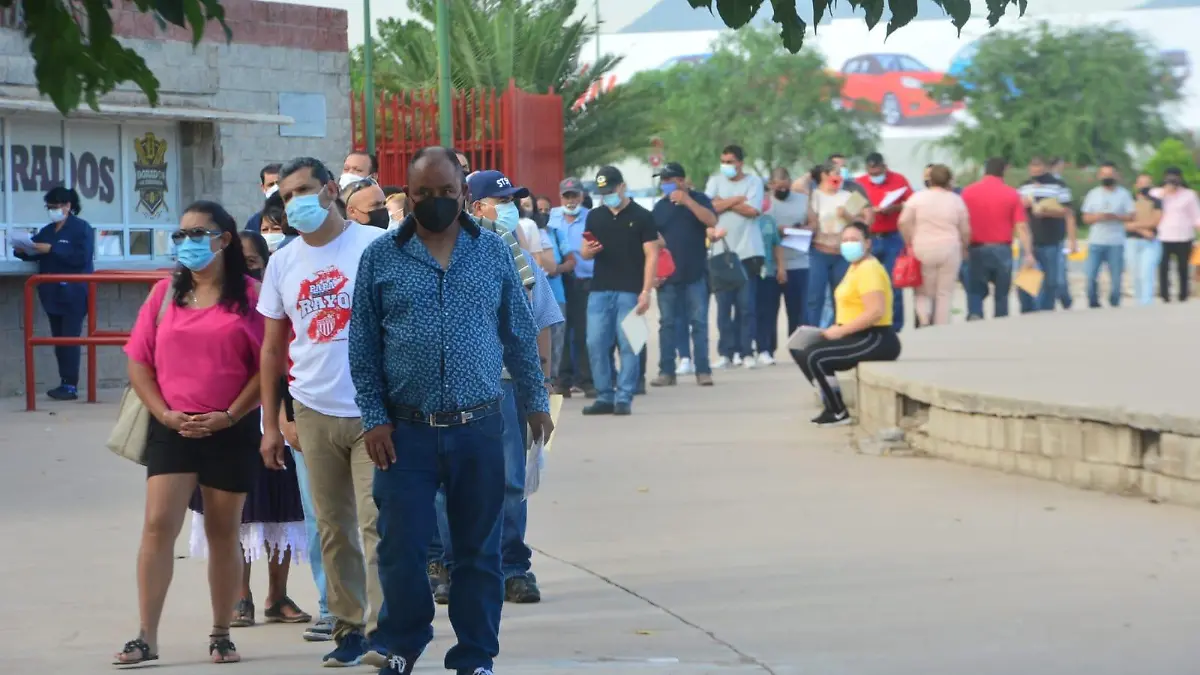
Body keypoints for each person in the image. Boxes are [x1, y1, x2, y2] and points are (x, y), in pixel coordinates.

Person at [347, 146, 553, 675]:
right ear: (408, 196)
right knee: (401, 548)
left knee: (478, 553)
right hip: (404, 431)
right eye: (423, 194)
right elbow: (363, 346)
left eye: (445, 192)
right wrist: (374, 418)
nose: (435, 201)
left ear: (463, 193)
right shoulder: (381, 256)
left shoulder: (492, 252)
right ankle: (400, 643)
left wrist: (534, 400)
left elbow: (518, 333)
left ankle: (475, 656)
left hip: (479, 426)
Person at [112, 201, 264, 666]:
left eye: (198, 233)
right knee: (159, 526)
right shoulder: (163, 295)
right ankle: (146, 636)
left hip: (229, 429)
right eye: (180, 235)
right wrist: (164, 413)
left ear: (223, 239)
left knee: (223, 532)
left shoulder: (253, 296)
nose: (187, 243)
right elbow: (139, 360)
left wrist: (231, 415)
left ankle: (221, 632)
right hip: (172, 428)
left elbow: (269, 366)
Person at [258, 157, 389, 667]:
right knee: (332, 528)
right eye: (287, 196)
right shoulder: (283, 263)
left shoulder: (373, 247)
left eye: (305, 191)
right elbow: (272, 349)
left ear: (332, 189)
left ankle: (385, 631)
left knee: (378, 524)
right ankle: (348, 627)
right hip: (312, 411)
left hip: (373, 411)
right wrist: (273, 423)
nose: (296, 204)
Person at [186, 231, 311, 629]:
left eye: (254, 260)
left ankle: (278, 596)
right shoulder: (207, 305)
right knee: (235, 513)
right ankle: (242, 598)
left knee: (280, 509)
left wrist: (282, 417)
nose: (246, 266)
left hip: (275, 416)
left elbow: (285, 357)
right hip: (224, 421)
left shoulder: (275, 303)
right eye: (237, 259)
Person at [789, 221, 901, 427]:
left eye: (854, 240)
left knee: (815, 356)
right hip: (855, 334)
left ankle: (838, 411)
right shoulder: (854, 268)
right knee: (799, 347)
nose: (849, 244)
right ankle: (829, 399)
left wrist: (841, 331)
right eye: (845, 240)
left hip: (875, 338)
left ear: (867, 243)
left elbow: (876, 312)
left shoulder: (869, 269)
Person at [581, 166, 659, 415]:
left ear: (622, 187)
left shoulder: (643, 216)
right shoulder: (595, 216)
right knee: (595, 343)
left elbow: (652, 254)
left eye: (611, 190)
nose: (608, 195)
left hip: (631, 291)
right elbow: (584, 251)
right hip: (599, 290)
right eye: (603, 192)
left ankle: (624, 396)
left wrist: (646, 291)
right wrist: (589, 251)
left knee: (630, 345)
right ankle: (604, 395)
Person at [13, 186, 94, 401]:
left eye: (56, 206)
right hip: (51, 294)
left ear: (68, 206)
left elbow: (81, 257)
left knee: (69, 339)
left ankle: (70, 386)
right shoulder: (48, 230)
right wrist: (21, 251)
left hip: (74, 293)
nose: (52, 210)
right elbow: (35, 250)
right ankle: (64, 383)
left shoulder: (82, 229)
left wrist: (53, 249)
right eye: (49, 207)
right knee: (59, 339)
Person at [649, 162, 717, 387]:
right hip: (668, 277)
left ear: (680, 181)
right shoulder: (659, 207)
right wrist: (654, 273)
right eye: (663, 182)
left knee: (698, 323)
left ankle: (703, 370)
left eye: (668, 181)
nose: (664, 185)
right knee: (667, 323)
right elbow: (652, 242)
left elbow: (711, 221)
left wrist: (688, 201)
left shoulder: (700, 199)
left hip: (695, 273)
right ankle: (666, 371)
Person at [705, 144, 765, 370]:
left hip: (748, 252)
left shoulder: (753, 182)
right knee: (723, 307)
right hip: (721, 253)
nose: (726, 166)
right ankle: (726, 353)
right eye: (724, 161)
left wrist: (724, 203)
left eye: (730, 161)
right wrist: (736, 200)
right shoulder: (714, 181)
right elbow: (709, 207)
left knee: (746, 306)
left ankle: (746, 352)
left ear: (740, 162)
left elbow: (753, 211)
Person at [961, 157, 1034, 320]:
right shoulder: (1012, 193)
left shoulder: (968, 192)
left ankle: (975, 315)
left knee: (974, 290)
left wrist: (962, 247)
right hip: (1002, 249)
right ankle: (1000, 322)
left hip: (976, 248)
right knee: (1002, 293)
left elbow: (961, 222)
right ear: (1005, 170)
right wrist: (1028, 253)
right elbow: (1021, 226)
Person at [898, 164, 970, 326]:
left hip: (922, 247)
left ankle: (923, 320)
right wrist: (964, 246)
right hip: (949, 248)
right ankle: (941, 326)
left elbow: (903, 221)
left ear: (930, 179)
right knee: (944, 293)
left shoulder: (917, 198)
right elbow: (965, 229)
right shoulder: (955, 200)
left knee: (922, 291)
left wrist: (908, 240)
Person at [807, 163, 871, 329]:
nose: (838, 177)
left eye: (839, 174)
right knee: (815, 297)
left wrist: (848, 216)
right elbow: (797, 187)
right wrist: (810, 175)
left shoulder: (849, 196)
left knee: (842, 296)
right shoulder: (814, 196)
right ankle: (812, 332)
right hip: (819, 252)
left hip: (842, 254)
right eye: (834, 173)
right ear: (824, 176)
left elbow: (866, 221)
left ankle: (841, 332)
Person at [549, 177, 596, 398]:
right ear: (561, 197)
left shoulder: (591, 218)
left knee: (584, 332)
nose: (571, 200)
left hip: (585, 280)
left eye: (575, 195)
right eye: (567, 196)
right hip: (560, 281)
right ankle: (563, 380)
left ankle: (586, 380)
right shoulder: (552, 218)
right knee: (562, 331)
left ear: (582, 196)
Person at [856, 152, 912, 332]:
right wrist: (868, 212)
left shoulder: (899, 180)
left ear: (884, 167)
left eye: (878, 170)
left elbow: (911, 204)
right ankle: (869, 323)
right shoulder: (860, 183)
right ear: (867, 169)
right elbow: (851, 209)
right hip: (869, 238)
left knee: (893, 283)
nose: (875, 174)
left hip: (892, 238)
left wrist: (895, 207)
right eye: (871, 171)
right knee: (869, 283)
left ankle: (895, 326)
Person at [1016, 156, 1076, 312]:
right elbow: (1016, 212)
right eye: (1032, 166)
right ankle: (1028, 309)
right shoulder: (1024, 186)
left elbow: (1067, 211)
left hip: (1051, 238)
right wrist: (1023, 205)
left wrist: (1048, 211)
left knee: (1051, 280)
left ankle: (1046, 309)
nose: (1035, 170)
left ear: (1045, 167)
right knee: (1027, 278)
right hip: (1029, 239)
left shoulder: (1058, 186)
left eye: (1038, 166)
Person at [764, 167, 809, 342]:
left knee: (798, 311)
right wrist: (777, 231)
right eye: (778, 188)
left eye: (786, 187)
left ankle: (796, 346)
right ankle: (767, 348)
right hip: (770, 265)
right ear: (771, 185)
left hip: (799, 263)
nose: (783, 190)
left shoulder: (803, 200)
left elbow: (813, 222)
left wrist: (806, 228)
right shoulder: (764, 202)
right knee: (768, 310)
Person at [1081, 162, 1134, 308]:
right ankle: (1093, 303)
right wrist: (1098, 217)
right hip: (1096, 241)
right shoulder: (1093, 194)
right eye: (1104, 175)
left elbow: (1131, 216)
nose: (1107, 177)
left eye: (1110, 175)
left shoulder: (1124, 194)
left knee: (1116, 279)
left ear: (1116, 176)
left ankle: (1114, 303)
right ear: (1099, 176)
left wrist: (1115, 217)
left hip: (1115, 242)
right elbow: (1085, 218)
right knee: (1090, 276)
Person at [1155, 166, 1200, 302]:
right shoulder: (1157, 193)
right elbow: (1150, 203)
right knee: (1163, 267)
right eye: (1169, 177)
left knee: (1183, 267)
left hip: (1184, 235)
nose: (1172, 180)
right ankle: (1164, 295)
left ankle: (1183, 294)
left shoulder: (1189, 194)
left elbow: (1196, 216)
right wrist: (1165, 192)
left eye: (1175, 177)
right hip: (1164, 236)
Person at [1126, 173, 1163, 306]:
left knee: (1146, 271)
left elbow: (1155, 221)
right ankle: (1138, 300)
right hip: (1132, 241)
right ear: (1136, 185)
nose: (1144, 186)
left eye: (1147, 183)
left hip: (1150, 242)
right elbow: (1125, 223)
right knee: (1135, 273)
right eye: (1141, 183)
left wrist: (1135, 226)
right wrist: (1141, 230)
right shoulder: (1129, 201)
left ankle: (1147, 302)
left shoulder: (1156, 202)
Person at [245, 163, 282, 232]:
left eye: (279, 183)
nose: (276, 188)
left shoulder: (298, 216)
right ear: (263, 188)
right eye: (271, 184)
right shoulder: (255, 221)